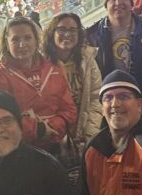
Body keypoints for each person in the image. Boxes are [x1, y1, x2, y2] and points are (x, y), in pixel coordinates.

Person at [0, 17, 77, 152]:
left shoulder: (53, 70)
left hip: (55, 145)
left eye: (27, 38)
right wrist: (39, 130)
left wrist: (53, 128)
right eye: (15, 39)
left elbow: (69, 111)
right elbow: (2, 119)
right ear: (6, 44)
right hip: (19, 151)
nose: (22, 44)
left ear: (36, 40)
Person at [42, 13, 103, 149]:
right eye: (62, 29)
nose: (67, 34)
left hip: (82, 136)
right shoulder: (41, 63)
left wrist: (89, 135)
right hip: (52, 138)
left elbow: (95, 98)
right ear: (52, 32)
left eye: (72, 30)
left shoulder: (87, 60)